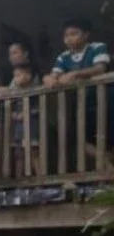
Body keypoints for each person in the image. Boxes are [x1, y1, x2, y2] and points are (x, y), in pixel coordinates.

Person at [44, 18, 112, 165]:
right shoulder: (64, 56)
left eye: (74, 34)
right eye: (66, 35)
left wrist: (75, 74)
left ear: (86, 35)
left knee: (106, 135)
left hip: (104, 99)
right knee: (80, 138)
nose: (69, 38)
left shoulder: (96, 47)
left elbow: (100, 68)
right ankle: (108, 165)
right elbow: (54, 74)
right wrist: (48, 79)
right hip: (80, 104)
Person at [10, 62, 43, 177]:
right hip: (18, 126)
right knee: (18, 153)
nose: (16, 79)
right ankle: (20, 178)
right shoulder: (14, 92)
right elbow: (11, 108)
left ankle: (39, 177)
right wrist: (13, 114)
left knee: (33, 151)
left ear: (28, 76)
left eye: (19, 75)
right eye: (15, 76)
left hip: (31, 124)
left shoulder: (35, 91)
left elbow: (39, 108)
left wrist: (28, 113)